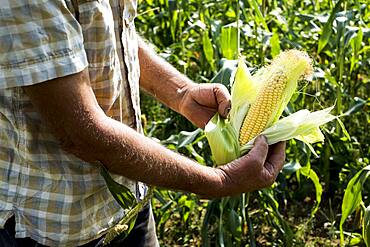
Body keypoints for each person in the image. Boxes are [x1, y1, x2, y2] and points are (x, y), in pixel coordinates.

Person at [0, 0, 286, 246]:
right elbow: (81, 133)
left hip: (129, 200)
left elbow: (112, 30)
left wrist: (182, 92)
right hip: (53, 228)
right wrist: (217, 182)